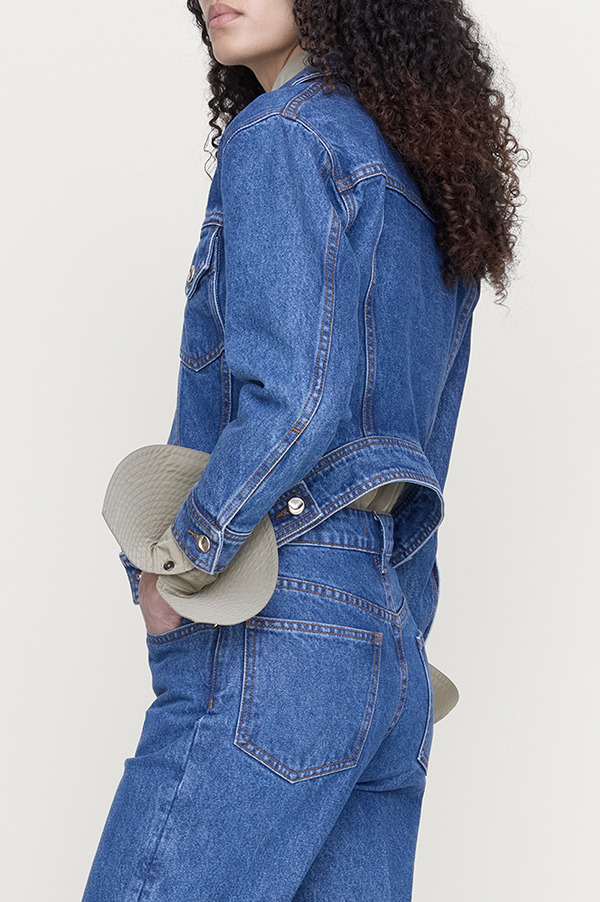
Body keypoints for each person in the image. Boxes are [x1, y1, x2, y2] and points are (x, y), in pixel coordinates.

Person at [82, 1, 526, 899]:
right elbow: (423, 454)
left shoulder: (282, 134)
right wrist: (393, 625)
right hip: (386, 655)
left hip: (276, 617)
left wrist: (182, 560)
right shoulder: (429, 184)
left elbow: (299, 400)